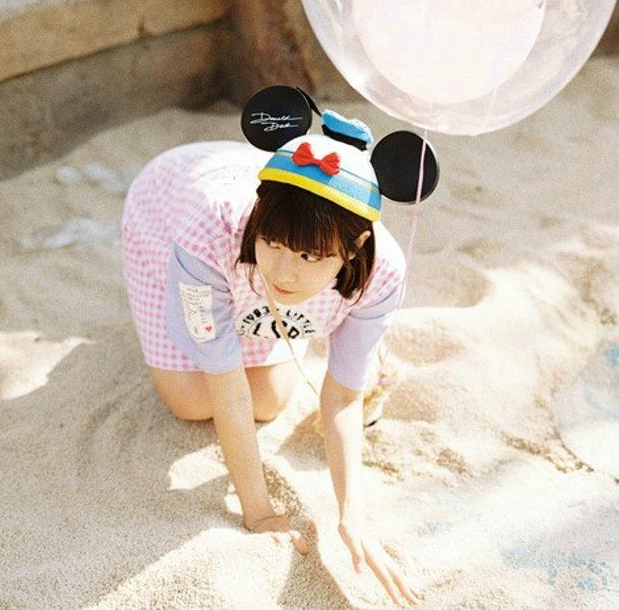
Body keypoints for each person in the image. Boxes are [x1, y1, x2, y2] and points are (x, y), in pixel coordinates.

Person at [121, 85, 437, 607]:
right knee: (191, 401)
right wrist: (259, 512)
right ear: (259, 222)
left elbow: (342, 398)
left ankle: (277, 305)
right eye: (273, 244)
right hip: (168, 207)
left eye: (311, 257)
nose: (285, 272)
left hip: (269, 215)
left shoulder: (383, 270)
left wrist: (352, 515)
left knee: (268, 401)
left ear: (355, 247)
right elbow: (225, 388)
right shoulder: (208, 233)